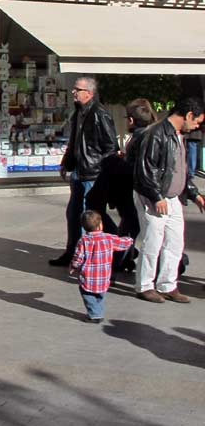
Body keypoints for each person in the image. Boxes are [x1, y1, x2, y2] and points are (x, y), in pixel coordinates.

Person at [132, 96, 205, 303]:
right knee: (152, 240)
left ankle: (167, 284)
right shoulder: (156, 134)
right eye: (197, 121)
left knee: (175, 241)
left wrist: (194, 193)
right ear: (189, 115)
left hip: (172, 197)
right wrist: (156, 197)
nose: (197, 125)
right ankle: (145, 285)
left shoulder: (178, 135)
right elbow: (146, 169)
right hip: (155, 197)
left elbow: (180, 170)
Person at [49, 76, 118, 266]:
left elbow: (111, 146)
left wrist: (102, 172)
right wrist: (66, 162)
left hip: (92, 174)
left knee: (93, 216)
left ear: (89, 93)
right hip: (80, 171)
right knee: (74, 214)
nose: (74, 92)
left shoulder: (99, 114)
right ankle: (72, 252)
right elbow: (75, 142)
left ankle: (120, 247)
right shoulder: (79, 112)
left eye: (77, 89)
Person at [85, 97, 155, 273]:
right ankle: (123, 257)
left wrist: (119, 161)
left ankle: (117, 261)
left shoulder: (141, 137)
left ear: (131, 120)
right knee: (130, 227)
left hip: (131, 190)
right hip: (130, 190)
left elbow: (139, 167)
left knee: (130, 228)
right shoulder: (146, 134)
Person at [69, 210, 134, 323]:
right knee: (100, 295)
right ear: (100, 225)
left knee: (88, 295)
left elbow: (78, 257)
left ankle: (94, 315)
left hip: (88, 277)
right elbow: (122, 243)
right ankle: (97, 311)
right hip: (104, 277)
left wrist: (73, 266)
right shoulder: (109, 238)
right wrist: (130, 239)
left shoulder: (83, 240)